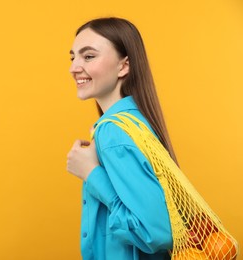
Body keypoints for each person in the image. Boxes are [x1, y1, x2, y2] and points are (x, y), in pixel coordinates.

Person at [66, 17, 176, 260]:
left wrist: (91, 173)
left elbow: (156, 232)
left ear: (123, 66)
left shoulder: (114, 131)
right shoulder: (136, 121)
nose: (74, 67)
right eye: (73, 57)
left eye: (89, 56)